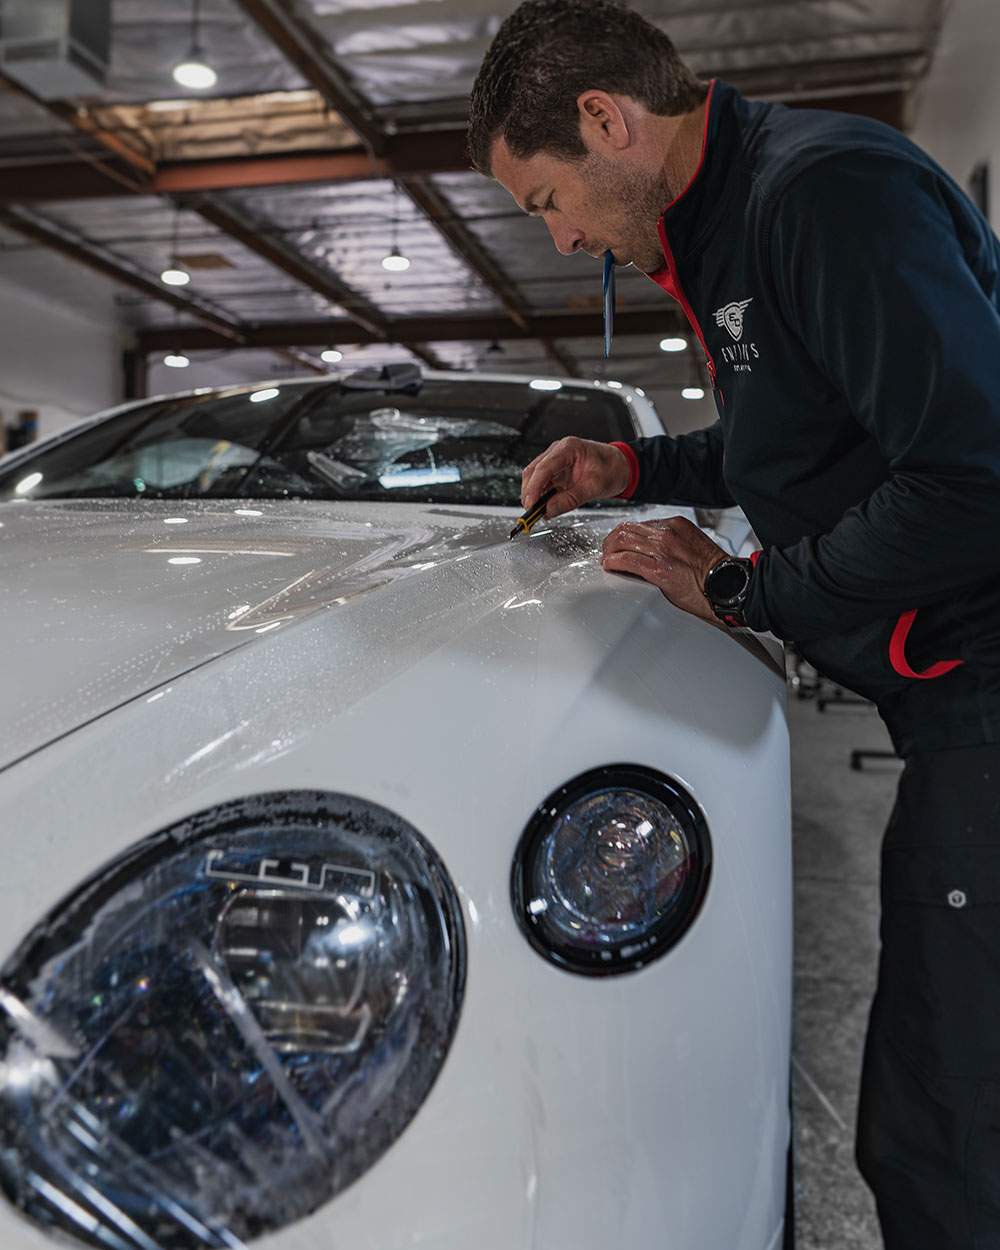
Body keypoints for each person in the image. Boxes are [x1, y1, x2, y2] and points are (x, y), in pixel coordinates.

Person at [468, 2, 1000, 1246]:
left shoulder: (823, 195)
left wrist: (745, 593)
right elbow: (799, 439)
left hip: (986, 688)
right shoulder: (725, 226)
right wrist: (631, 470)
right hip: (952, 697)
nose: (554, 238)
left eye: (542, 197)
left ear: (604, 120)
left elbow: (974, 474)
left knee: (940, 1132)